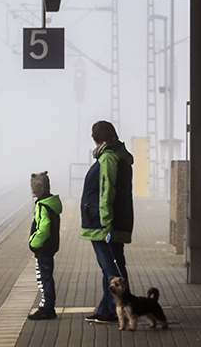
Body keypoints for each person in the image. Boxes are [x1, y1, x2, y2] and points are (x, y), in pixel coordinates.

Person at [81, 120, 135, 323]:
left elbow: (106, 191)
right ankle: (106, 309)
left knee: (110, 269)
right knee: (115, 265)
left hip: (102, 223)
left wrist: (105, 223)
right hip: (116, 220)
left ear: (97, 137)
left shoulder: (108, 158)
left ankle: (118, 308)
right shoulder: (117, 155)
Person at [27, 171, 62, 320]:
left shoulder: (42, 206)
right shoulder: (50, 203)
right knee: (46, 277)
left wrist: (33, 243)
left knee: (44, 278)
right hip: (49, 248)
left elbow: (44, 228)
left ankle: (47, 308)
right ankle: (47, 306)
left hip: (43, 249)